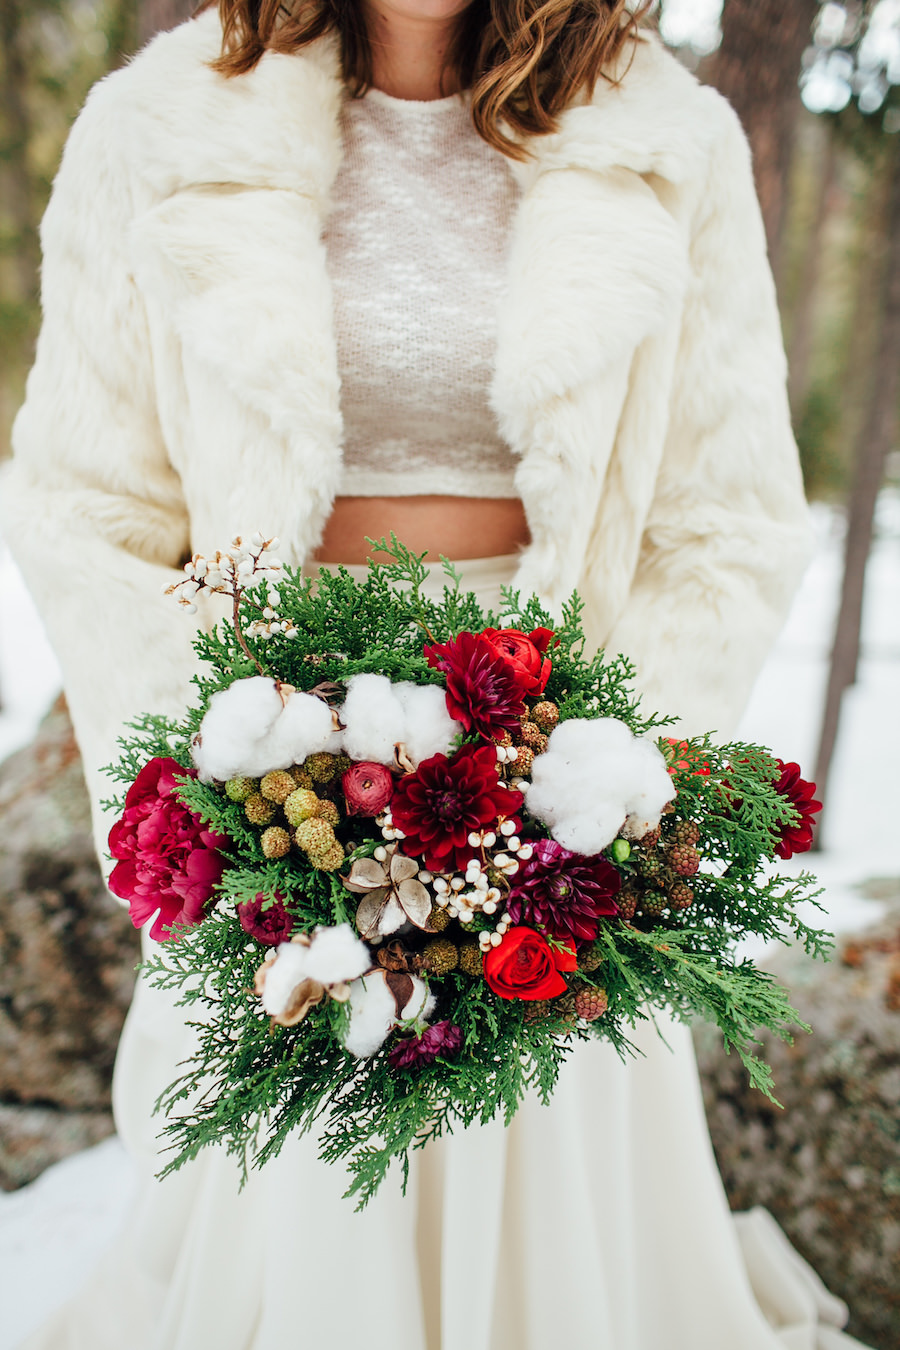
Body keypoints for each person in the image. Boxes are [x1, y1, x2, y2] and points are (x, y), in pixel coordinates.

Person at [0, 0, 868, 1346]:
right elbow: (84, 507)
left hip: (555, 732)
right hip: (270, 731)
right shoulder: (157, 125)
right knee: (299, 1176)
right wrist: (220, 773)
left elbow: (729, 521)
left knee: (546, 1159)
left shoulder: (664, 137)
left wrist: (598, 774)